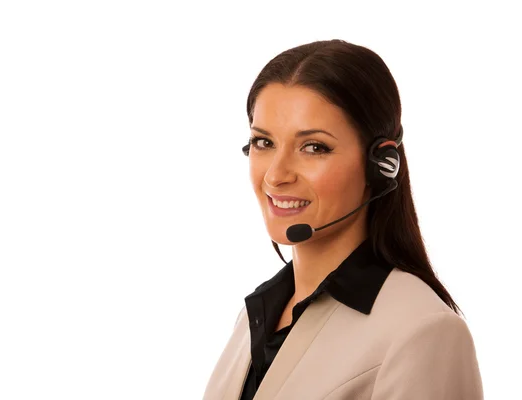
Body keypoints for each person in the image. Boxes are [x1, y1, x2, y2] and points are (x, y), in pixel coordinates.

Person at [202, 39, 483, 400]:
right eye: (263, 142)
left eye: (314, 147)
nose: (275, 176)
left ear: (381, 166)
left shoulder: (421, 332)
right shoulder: (254, 317)